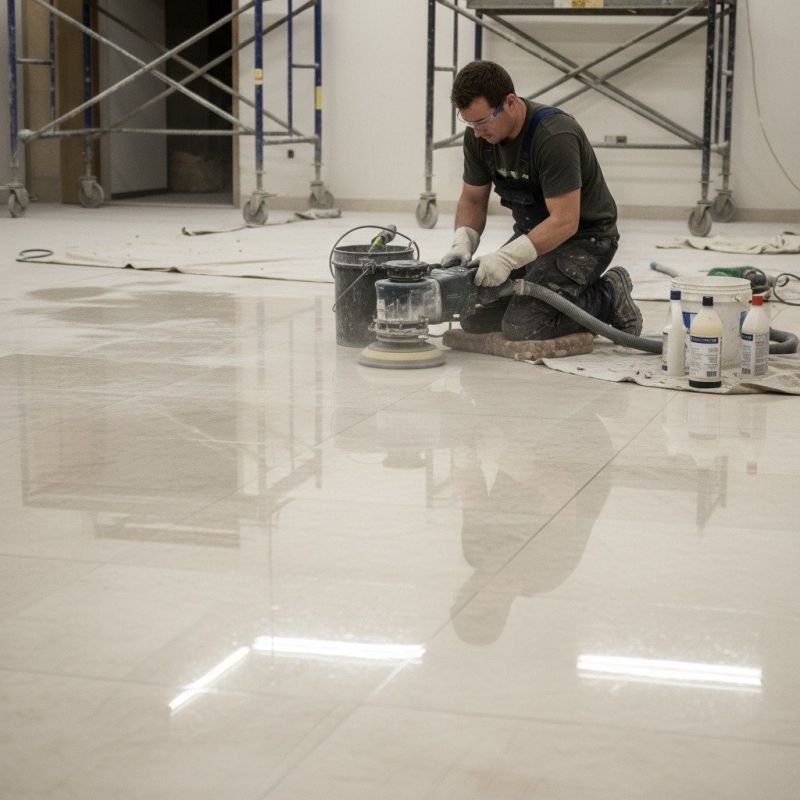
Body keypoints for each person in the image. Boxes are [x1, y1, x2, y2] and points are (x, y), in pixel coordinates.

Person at [440, 60, 642, 342]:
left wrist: (507, 259)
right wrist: (462, 243)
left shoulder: (554, 135)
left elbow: (565, 221)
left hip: (585, 238)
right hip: (533, 236)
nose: (476, 133)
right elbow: (473, 201)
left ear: (509, 102)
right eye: (469, 123)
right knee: (474, 317)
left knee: (523, 325)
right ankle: (554, 295)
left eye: (482, 122)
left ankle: (609, 294)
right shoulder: (479, 137)